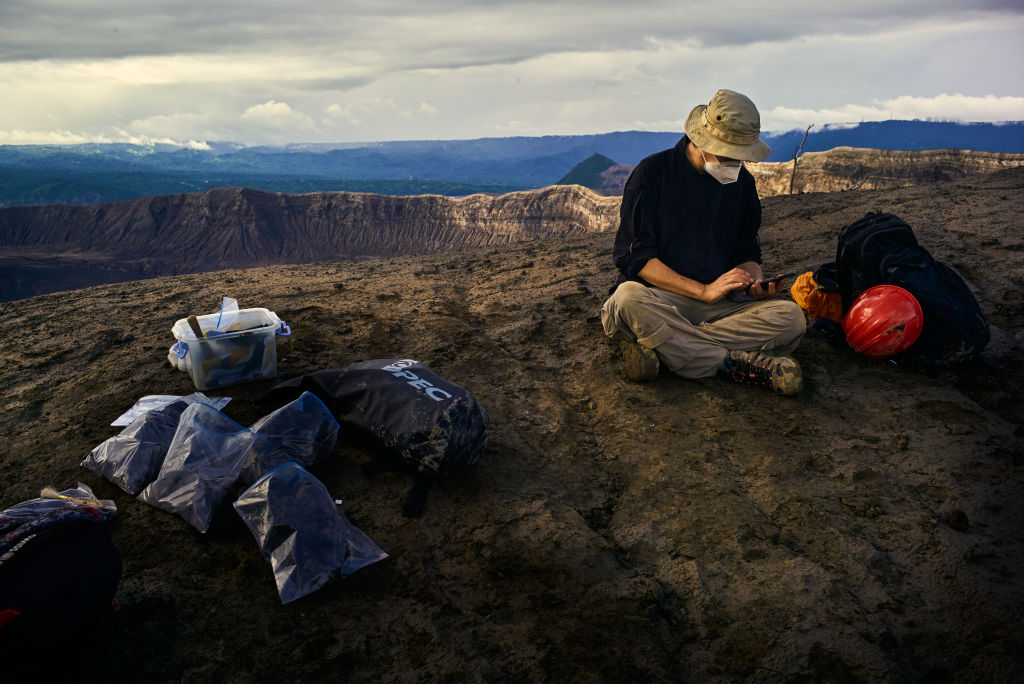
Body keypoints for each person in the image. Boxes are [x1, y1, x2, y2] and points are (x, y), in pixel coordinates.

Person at [601, 88, 806, 394]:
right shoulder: (652, 174)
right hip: (659, 299)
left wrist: (754, 283)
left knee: (791, 318)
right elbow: (635, 258)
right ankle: (729, 363)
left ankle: (669, 347)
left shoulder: (742, 184)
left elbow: (746, 250)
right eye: (728, 154)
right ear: (701, 141)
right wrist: (703, 291)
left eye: (740, 156)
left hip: (718, 306)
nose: (735, 163)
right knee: (626, 299)